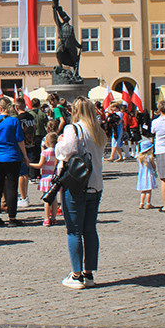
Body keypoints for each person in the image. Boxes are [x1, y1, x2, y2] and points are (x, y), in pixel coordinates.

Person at [55, 97, 106, 289]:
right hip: (96, 184)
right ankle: (89, 272)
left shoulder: (73, 129)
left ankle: (76, 275)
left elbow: (67, 151)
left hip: (77, 185)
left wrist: (58, 143)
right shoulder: (98, 130)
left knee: (74, 230)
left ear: (75, 111)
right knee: (90, 229)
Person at [0, 98, 26, 227]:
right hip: (12, 157)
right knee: (11, 188)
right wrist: (25, 156)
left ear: (0, 107)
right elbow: (20, 140)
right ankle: (12, 217)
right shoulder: (14, 121)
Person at [29, 132, 58, 226]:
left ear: (47, 142)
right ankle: (54, 217)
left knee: (46, 199)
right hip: (54, 177)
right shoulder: (57, 152)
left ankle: (47, 218)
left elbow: (40, 165)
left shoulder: (45, 152)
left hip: (46, 177)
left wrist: (29, 164)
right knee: (54, 199)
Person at [136, 138, 157, 209]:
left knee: (143, 191)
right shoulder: (149, 157)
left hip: (142, 175)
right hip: (148, 175)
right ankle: (148, 203)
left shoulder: (140, 158)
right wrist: (155, 170)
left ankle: (141, 203)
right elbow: (153, 165)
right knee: (149, 190)